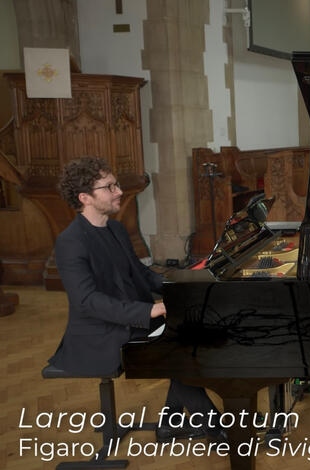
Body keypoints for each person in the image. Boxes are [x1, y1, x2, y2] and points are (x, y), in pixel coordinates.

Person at [48, 156, 226, 443]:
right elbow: (87, 301)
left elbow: (140, 274)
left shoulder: (116, 229)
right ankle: (217, 431)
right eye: (109, 187)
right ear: (85, 197)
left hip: (129, 318)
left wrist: (182, 288)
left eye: (116, 184)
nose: (119, 191)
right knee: (178, 348)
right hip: (99, 333)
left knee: (192, 334)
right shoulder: (71, 242)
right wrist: (149, 310)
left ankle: (171, 423)